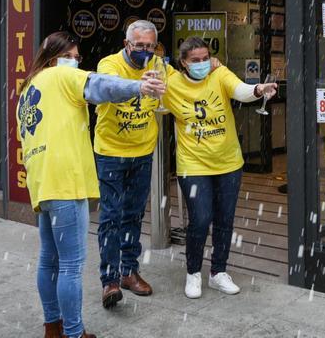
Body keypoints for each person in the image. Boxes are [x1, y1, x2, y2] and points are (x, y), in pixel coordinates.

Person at [17, 31, 165, 338]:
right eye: (70, 56)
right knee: (70, 264)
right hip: (65, 180)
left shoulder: (29, 86)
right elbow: (100, 85)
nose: (74, 62)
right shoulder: (60, 76)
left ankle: (53, 326)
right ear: (55, 58)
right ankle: (74, 332)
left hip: (43, 181)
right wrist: (140, 86)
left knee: (49, 259)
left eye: (77, 58)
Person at [94, 21, 222, 307]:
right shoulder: (109, 64)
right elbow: (108, 88)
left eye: (150, 46)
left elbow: (183, 81)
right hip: (111, 152)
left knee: (134, 215)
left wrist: (209, 65)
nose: (145, 51)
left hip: (142, 152)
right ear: (127, 43)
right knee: (111, 217)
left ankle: (129, 271)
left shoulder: (159, 64)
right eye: (139, 46)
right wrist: (139, 86)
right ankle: (110, 280)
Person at [162, 37, 278, 299]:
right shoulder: (172, 83)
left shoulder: (220, 74)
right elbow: (153, 77)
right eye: (195, 60)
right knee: (201, 218)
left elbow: (241, 90)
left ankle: (218, 272)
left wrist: (258, 89)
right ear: (183, 63)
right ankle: (193, 272)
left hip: (228, 162)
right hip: (192, 164)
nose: (202, 64)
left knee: (225, 219)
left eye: (206, 58)